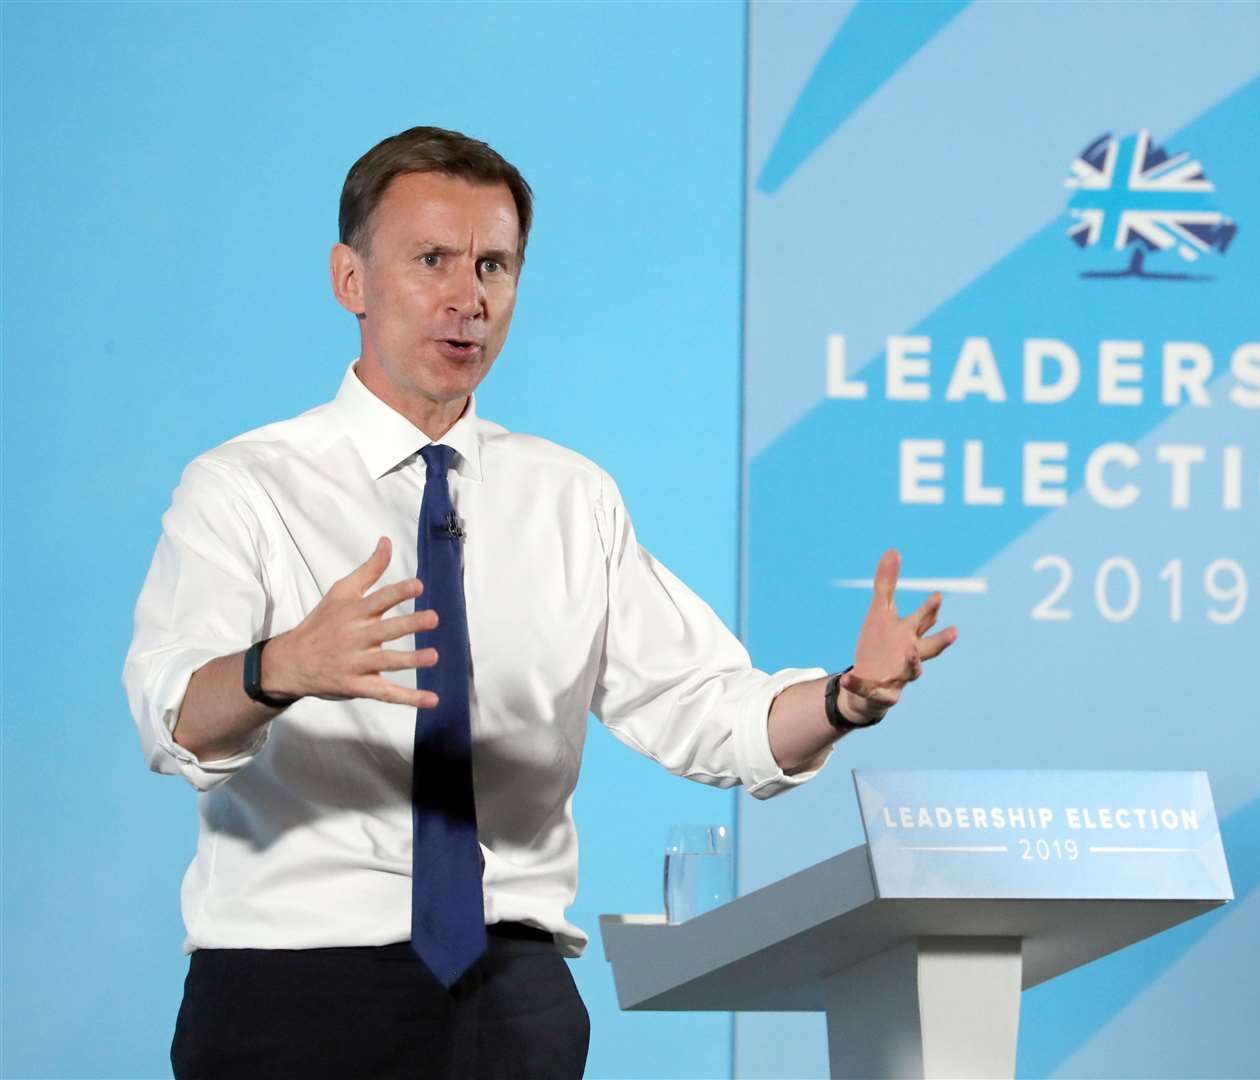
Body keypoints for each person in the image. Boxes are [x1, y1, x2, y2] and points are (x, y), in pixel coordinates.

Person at [123, 125, 957, 1080]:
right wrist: (282, 667)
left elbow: (707, 709)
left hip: (508, 999)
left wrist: (848, 695)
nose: (466, 298)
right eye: (430, 259)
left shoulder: (570, 497)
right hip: (289, 988)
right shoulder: (244, 487)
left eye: (494, 265)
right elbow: (170, 718)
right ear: (350, 280)